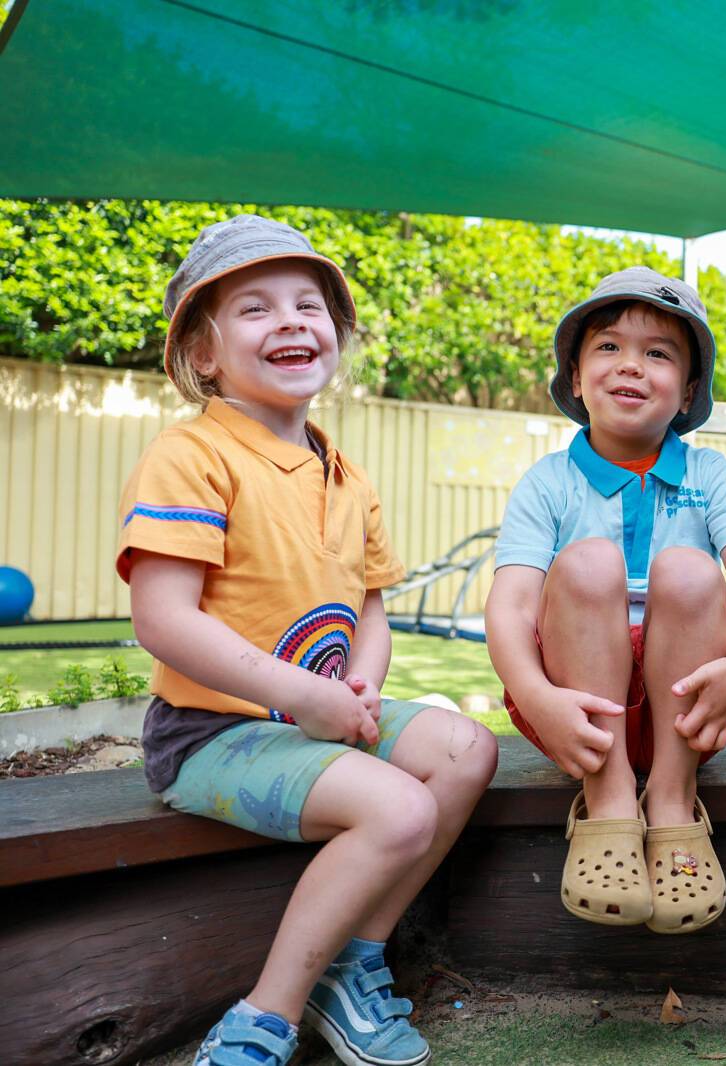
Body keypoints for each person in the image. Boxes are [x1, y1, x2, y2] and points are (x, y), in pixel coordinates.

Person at [121, 214, 498, 1066]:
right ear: (204, 354)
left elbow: (369, 607)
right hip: (212, 734)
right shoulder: (192, 456)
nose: (290, 321)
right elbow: (164, 618)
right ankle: (264, 1016)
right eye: (254, 309)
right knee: (399, 808)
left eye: (308, 304)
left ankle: (352, 963)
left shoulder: (346, 473)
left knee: (467, 750)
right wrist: (303, 695)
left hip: (312, 717)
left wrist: (359, 686)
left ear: (335, 333)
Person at [485, 266, 726, 934]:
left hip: (690, 709)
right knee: (589, 561)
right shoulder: (550, 482)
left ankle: (673, 799)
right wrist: (534, 695)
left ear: (688, 392)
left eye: (658, 353)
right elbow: (510, 605)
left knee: (690, 570)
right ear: (576, 375)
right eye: (609, 348)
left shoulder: (708, 474)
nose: (631, 366)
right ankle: (610, 797)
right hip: (576, 710)